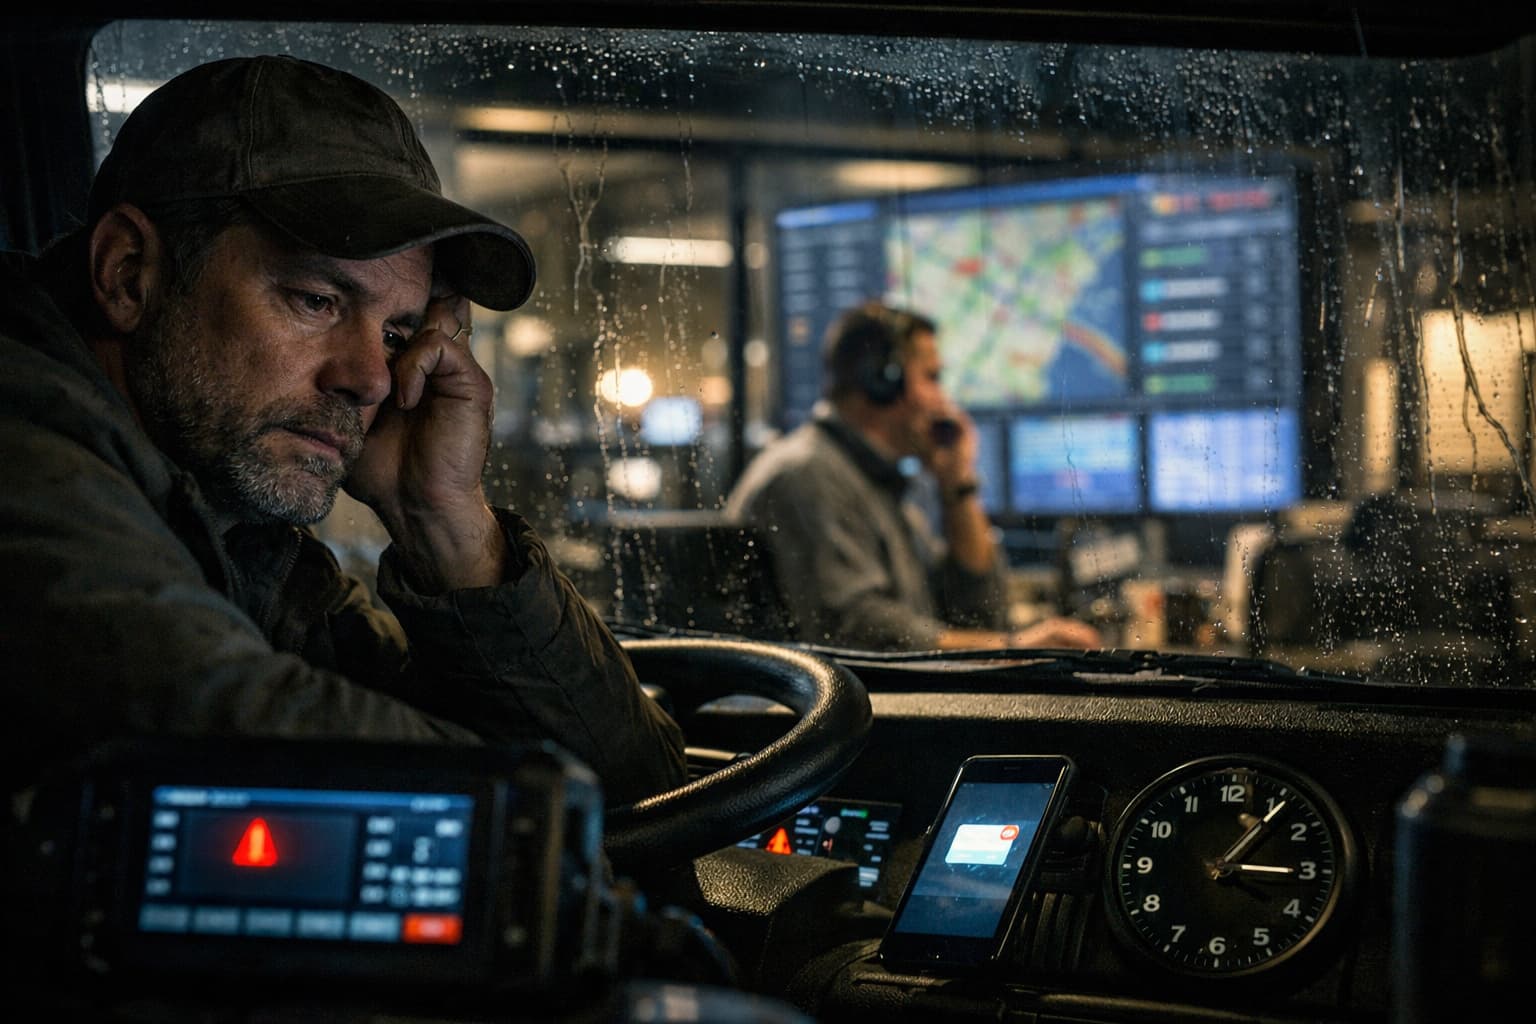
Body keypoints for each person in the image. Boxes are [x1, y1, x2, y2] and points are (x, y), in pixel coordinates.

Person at [0, 55, 683, 804]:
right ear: (130, 273)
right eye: (317, 300)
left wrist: (444, 519)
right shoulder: (24, 429)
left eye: (397, 333)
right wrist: (550, 822)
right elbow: (207, 712)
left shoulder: (236, 524)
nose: (374, 380)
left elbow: (643, 796)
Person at [725, 301, 1102, 652]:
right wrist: (1014, 650)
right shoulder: (809, 476)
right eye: (932, 378)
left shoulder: (882, 483)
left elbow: (977, 612)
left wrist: (957, 484)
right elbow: (862, 633)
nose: (944, 400)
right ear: (880, 381)